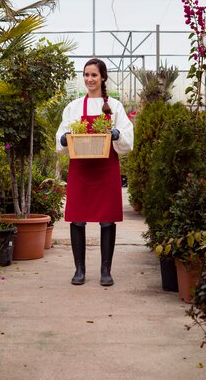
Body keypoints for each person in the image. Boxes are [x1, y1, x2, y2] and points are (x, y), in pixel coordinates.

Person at [56, 57, 134, 286]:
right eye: (86, 75)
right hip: (80, 169)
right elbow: (61, 136)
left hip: (106, 168)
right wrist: (62, 139)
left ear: (102, 78)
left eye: (94, 75)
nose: (89, 79)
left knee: (107, 218)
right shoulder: (74, 107)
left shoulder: (115, 106)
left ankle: (105, 271)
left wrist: (118, 134)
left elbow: (128, 138)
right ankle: (79, 270)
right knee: (77, 218)